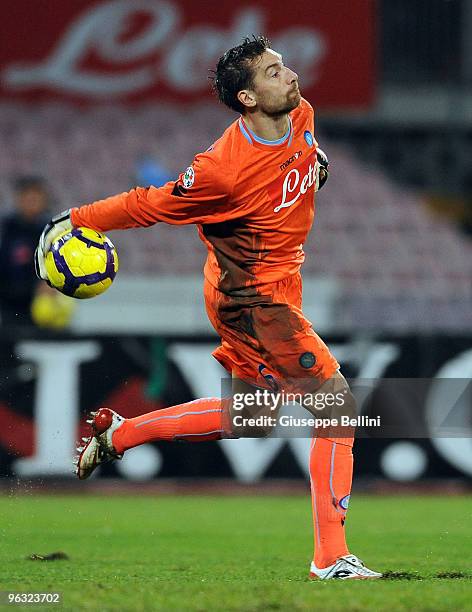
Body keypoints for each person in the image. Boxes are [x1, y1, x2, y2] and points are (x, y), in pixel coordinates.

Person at [35, 36, 381, 580]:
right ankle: (331, 559)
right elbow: (150, 203)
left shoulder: (301, 112)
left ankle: (120, 434)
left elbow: (303, 156)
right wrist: (78, 218)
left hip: (280, 286)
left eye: (283, 66)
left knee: (257, 415)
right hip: (250, 300)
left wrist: (318, 163)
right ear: (247, 98)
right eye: (272, 72)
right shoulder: (222, 170)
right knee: (336, 406)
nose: (289, 76)